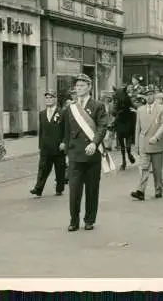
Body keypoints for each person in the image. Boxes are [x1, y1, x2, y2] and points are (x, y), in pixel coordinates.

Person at [60, 74, 108, 232]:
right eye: (77, 86)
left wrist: (95, 143)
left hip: (92, 155)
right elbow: (66, 133)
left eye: (81, 85)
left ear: (89, 87)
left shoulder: (98, 106)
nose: (78, 88)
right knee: (74, 191)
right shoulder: (70, 108)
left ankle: (89, 219)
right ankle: (74, 220)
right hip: (75, 154)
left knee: (92, 190)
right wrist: (66, 153)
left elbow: (102, 127)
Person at [131, 88, 163, 201]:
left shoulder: (162, 109)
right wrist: (137, 145)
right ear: (144, 97)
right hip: (144, 143)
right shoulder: (140, 110)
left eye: (151, 95)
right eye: (146, 95)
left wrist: (156, 136)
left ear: (155, 96)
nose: (149, 97)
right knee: (144, 168)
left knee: (157, 169)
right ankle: (141, 191)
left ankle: (158, 190)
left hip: (156, 143)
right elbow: (137, 128)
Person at [30, 89, 66, 197]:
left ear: (55, 99)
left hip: (58, 147)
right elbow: (41, 131)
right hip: (46, 147)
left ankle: (59, 188)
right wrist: (41, 145)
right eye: (47, 98)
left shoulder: (62, 113)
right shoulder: (42, 114)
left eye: (51, 98)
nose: (49, 100)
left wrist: (64, 142)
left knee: (59, 169)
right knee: (43, 168)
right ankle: (38, 189)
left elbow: (66, 130)